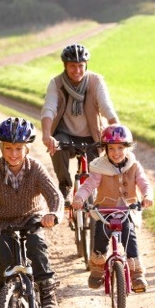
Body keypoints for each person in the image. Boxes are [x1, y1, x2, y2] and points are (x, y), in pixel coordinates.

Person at [0, 117, 64, 308]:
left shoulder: (35, 168)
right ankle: (4, 296)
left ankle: (47, 295)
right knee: (6, 259)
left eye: (19, 148)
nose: (13, 154)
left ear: (27, 148)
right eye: (8, 148)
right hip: (3, 222)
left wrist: (53, 214)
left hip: (32, 217)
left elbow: (54, 195)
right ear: (1, 147)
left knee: (37, 248)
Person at [72, 124, 153, 291]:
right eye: (111, 148)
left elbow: (144, 183)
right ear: (105, 149)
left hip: (127, 210)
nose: (116, 152)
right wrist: (79, 198)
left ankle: (136, 274)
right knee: (101, 235)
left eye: (120, 148)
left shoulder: (134, 166)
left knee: (129, 236)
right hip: (105, 210)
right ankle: (97, 269)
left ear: (127, 147)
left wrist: (147, 196)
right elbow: (88, 185)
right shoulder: (99, 167)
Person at [41, 43, 120, 206]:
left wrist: (117, 128)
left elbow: (106, 107)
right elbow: (49, 109)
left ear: (86, 65)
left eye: (80, 66)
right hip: (66, 135)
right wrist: (47, 135)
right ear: (65, 66)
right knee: (57, 147)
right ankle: (65, 187)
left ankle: (93, 198)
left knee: (95, 171)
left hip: (92, 136)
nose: (77, 70)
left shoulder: (96, 81)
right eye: (72, 66)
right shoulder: (56, 83)